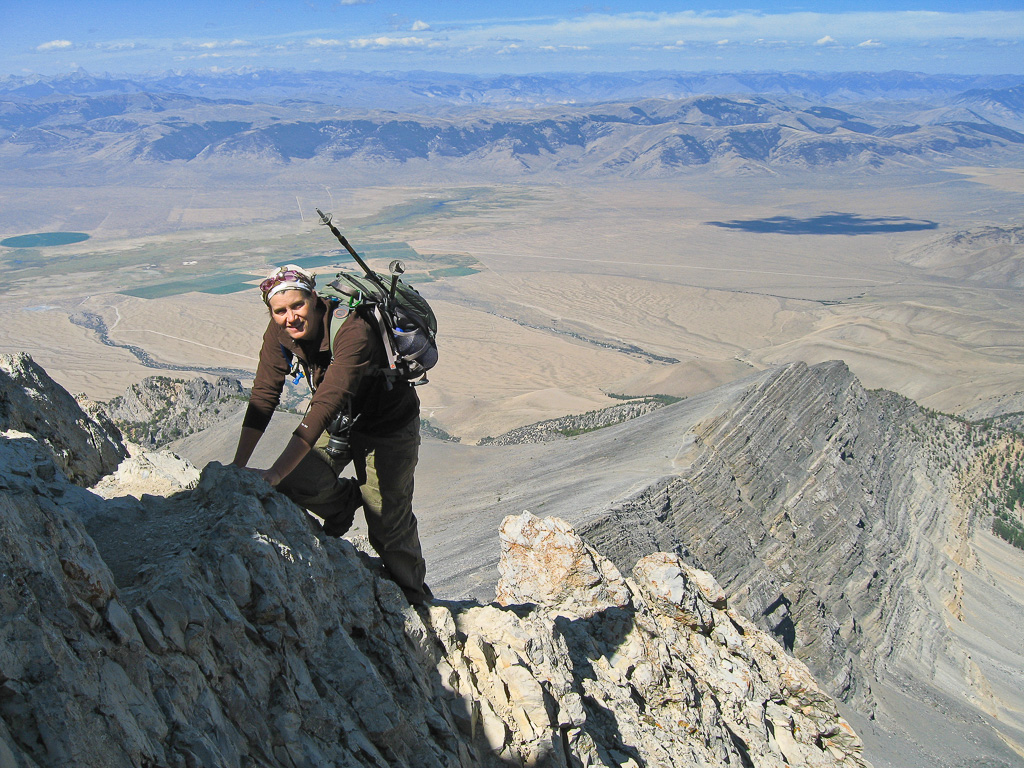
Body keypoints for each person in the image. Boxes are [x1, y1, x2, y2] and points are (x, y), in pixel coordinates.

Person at [232, 264, 432, 605]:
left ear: (314, 298)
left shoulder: (352, 330)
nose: (290, 317)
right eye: (279, 311)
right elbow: (265, 393)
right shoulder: (280, 331)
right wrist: (238, 465)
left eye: (298, 306)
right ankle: (344, 504)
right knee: (295, 485)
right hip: (341, 421)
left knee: (387, 525)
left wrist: (274, 472)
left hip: (387, 426)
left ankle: (417, 599)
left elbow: (324, 404)